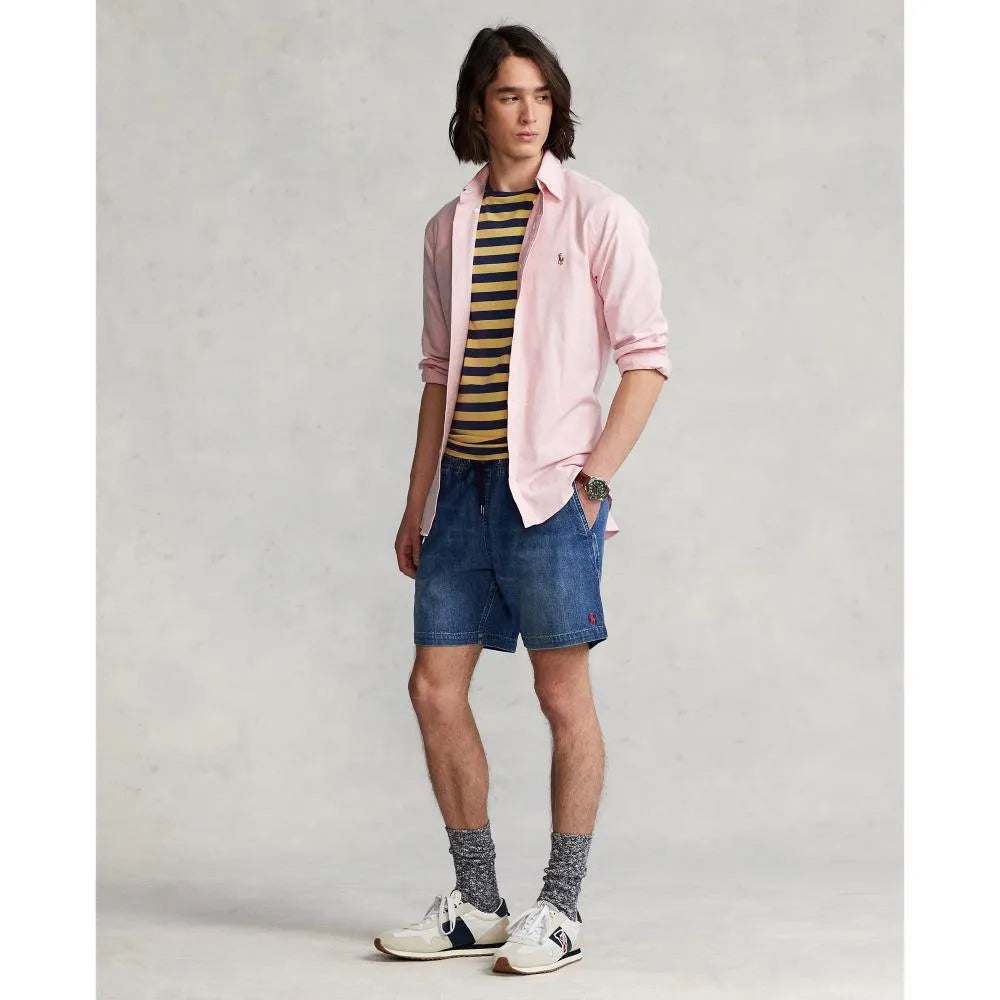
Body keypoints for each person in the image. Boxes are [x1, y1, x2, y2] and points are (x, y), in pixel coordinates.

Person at [375, 23, 671, 976]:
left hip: (548, 494)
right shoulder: (447, 228)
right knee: (433, 689)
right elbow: (437, 373)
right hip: (460, 492)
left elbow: (647, 359)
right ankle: (478, 901)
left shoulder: (599, 215)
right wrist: (417, 500)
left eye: (542, 96)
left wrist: (595, 480)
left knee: (559, 693)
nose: (529, 113)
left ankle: (563, 905)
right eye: (509, 95)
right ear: (478, 108)